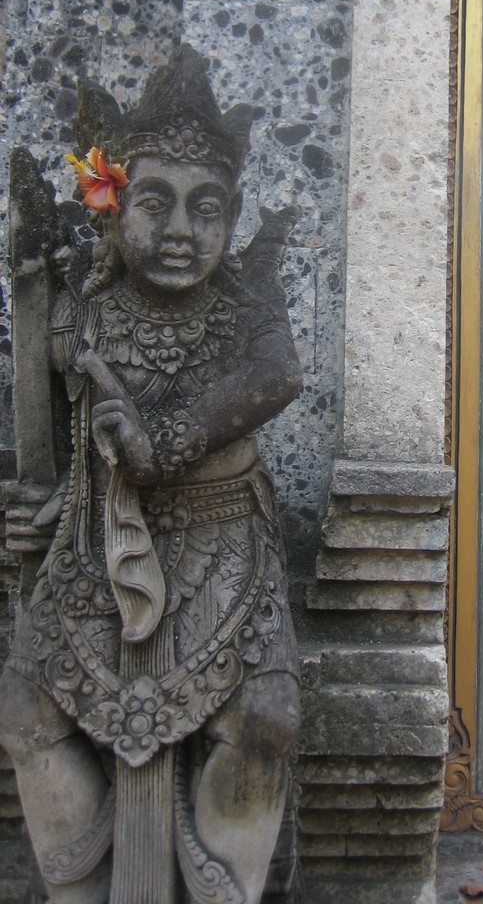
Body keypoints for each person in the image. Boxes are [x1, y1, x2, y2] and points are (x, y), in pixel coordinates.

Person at [0, 46, 302, 904]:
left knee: (267, 721)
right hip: (98, 542)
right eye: (154, 203)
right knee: (22, 711)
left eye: (206, 209)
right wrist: (50, 503)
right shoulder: (83, 302)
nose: (180, 231)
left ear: (234, 213)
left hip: (223, 544)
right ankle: (82, 894)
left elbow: (277, 377)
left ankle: (224, 894)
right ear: (110, 206)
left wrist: (163, 440)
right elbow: (67, 431)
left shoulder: (250, 297)